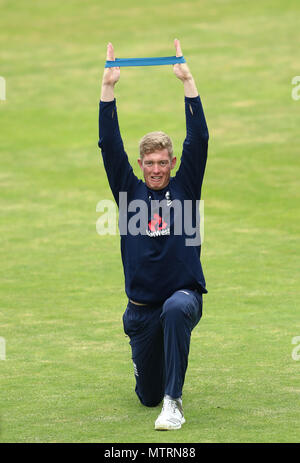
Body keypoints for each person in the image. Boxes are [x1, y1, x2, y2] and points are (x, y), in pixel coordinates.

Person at [98, 39, 209, 430]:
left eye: (163, 162)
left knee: (177, 309)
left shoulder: (185, 189)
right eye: (150, 163)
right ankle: (159, 388)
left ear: (172, 162)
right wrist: (108, 88)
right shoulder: (129, 195)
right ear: (141, 164)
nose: (157, 168)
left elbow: (200, 140)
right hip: (142, 311)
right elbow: (109, 147)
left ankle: (173, 403)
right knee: (146, 396)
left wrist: (187, 81)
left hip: (183, 298)